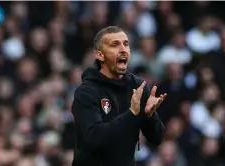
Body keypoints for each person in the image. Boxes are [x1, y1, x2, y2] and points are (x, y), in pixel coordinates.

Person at [71, 26, 167, 166]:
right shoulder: (86, 92)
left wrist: (149, 116)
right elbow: (94, 138)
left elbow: (157, 139)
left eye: (126, 44)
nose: (123, 49)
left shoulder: (137, 86)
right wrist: (131, 114)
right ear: (100, 55)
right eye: (115, 45)